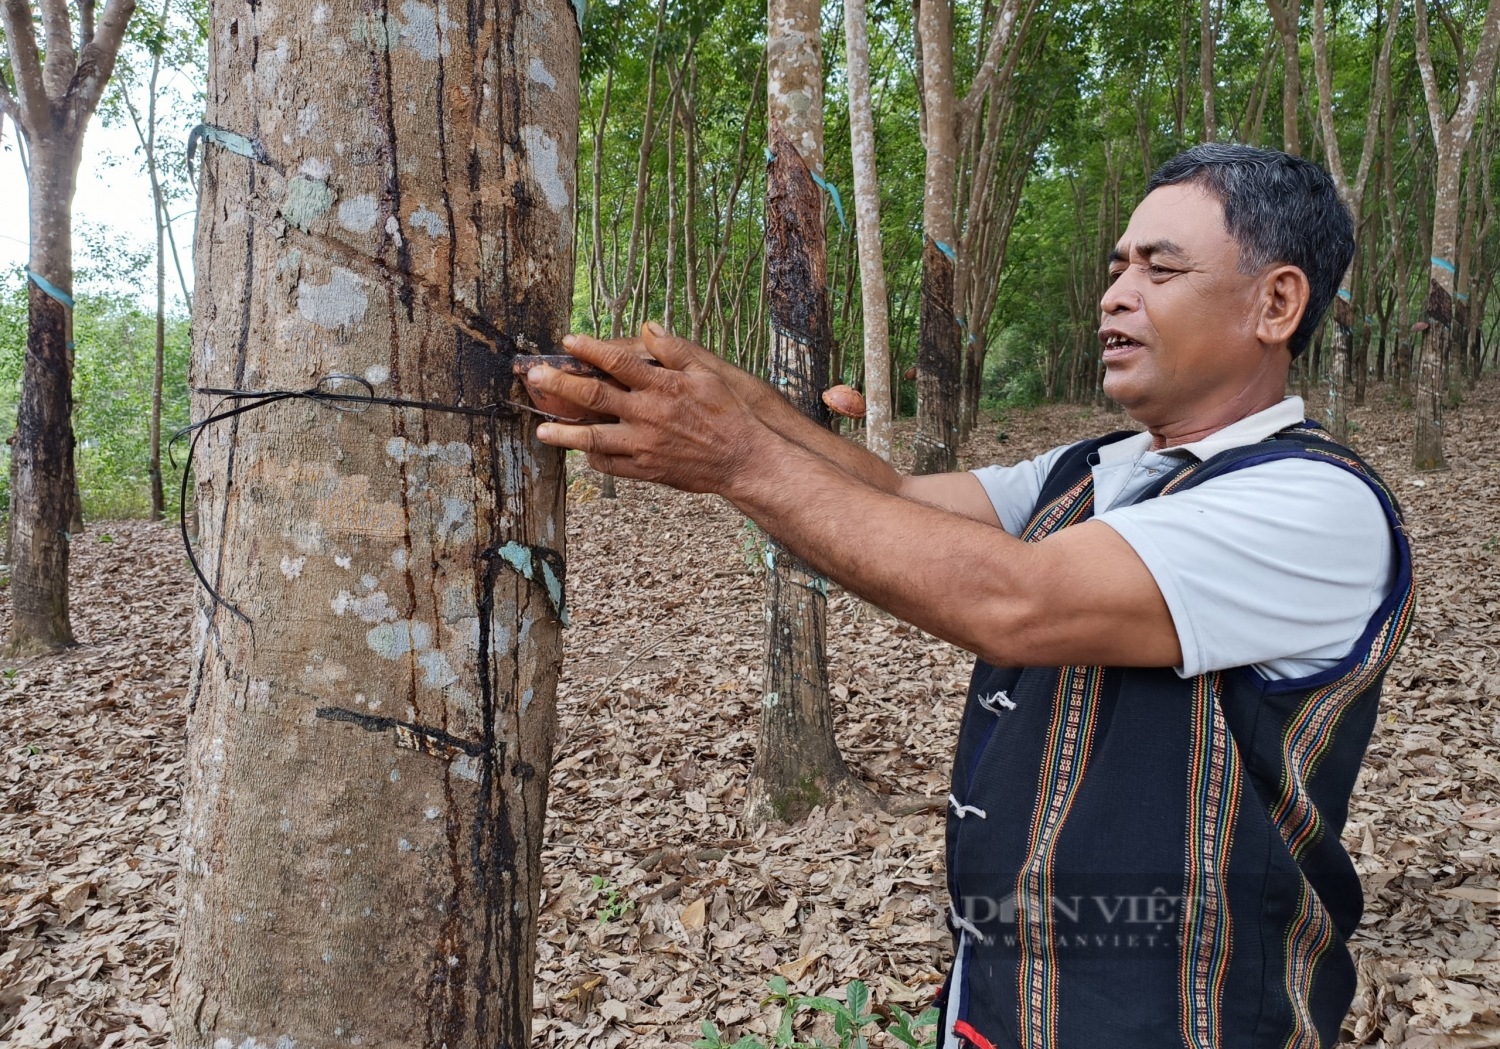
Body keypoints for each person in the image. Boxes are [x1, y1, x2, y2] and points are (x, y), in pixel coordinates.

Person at [527, 144, 1412, 1049]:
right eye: (1116, 268)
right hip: (1003, 997)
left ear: (1277, 303)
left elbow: (1017, 603)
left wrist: (736, 456)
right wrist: (722, 398)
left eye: (1160, 267)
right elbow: (896, 499)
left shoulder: (1316, 504)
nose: (1114, 293)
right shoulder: (1094, 469)